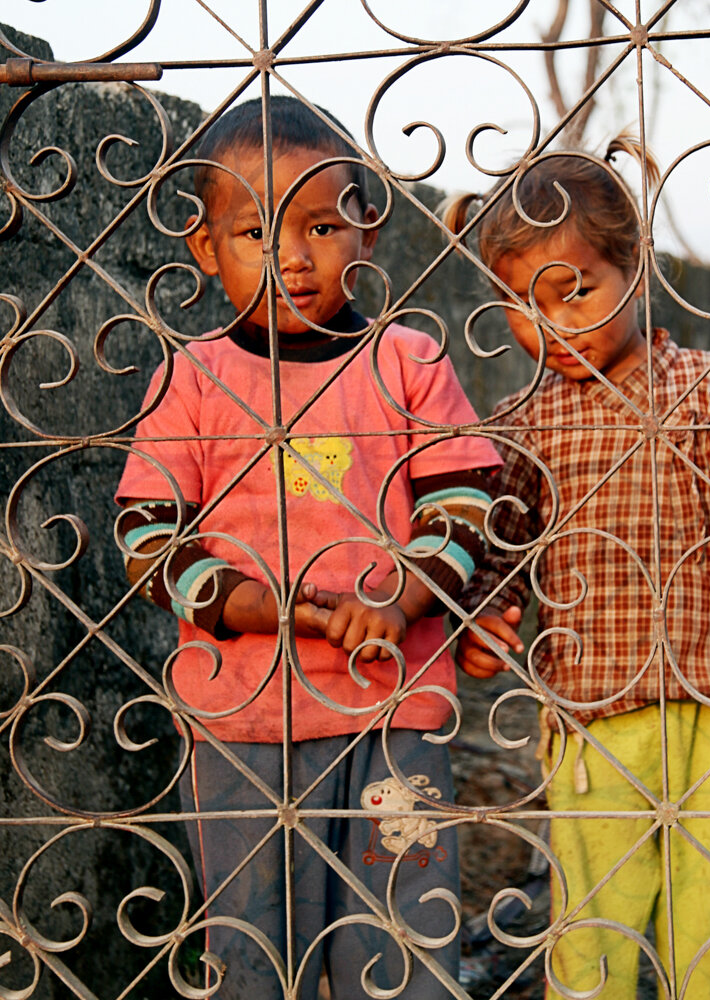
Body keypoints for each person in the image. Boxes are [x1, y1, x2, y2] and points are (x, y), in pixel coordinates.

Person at [116, 95, 501, 999]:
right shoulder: (195, 377)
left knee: (402, 931)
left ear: (366, 231)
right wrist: (272, 610)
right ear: (208, 252)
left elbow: (463, 506)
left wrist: (397, 603)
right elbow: (147, 537)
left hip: (393, 718)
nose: (291, 254)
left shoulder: (406, 362)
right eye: (256, 232)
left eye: (321, 224)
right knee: (254, 947)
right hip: (241, 718)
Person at [446, 140, 710, 999]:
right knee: (596, 933)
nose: (545, 324)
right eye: (517, 303)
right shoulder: (521, 424)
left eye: (572, 292)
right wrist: (478, 616)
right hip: (593, 719)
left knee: (707, 930)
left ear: (634, 266)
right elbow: (497, 552)